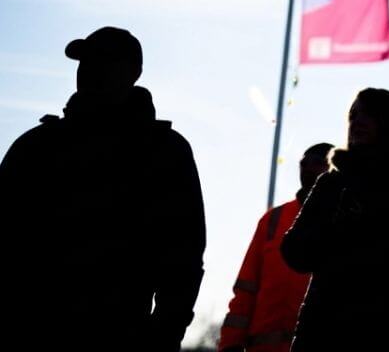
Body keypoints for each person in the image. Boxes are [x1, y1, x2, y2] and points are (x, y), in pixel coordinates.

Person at [0, 26, 206, 352]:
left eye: (105, 61)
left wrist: (164, 334)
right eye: (85, 61)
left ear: (132, 73)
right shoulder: (35, 146)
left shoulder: (164, 151)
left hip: (122, 334)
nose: (90, 70)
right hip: (30, 330)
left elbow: (183, 255)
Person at [281, 88, 389, 352]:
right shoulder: (331, 182)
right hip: (324, 330)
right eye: (353, 115)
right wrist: (334, 230)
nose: (358, 121)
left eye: (369, 114)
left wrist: (367, 230)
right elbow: (293, 251)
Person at [218, 142, 334, 352]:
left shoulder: (345, 218)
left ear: (332, 168)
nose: (307, 168)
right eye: (303, 163)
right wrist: (230, 343)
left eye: (316, 163)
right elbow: (246, 289)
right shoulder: (273, 220)